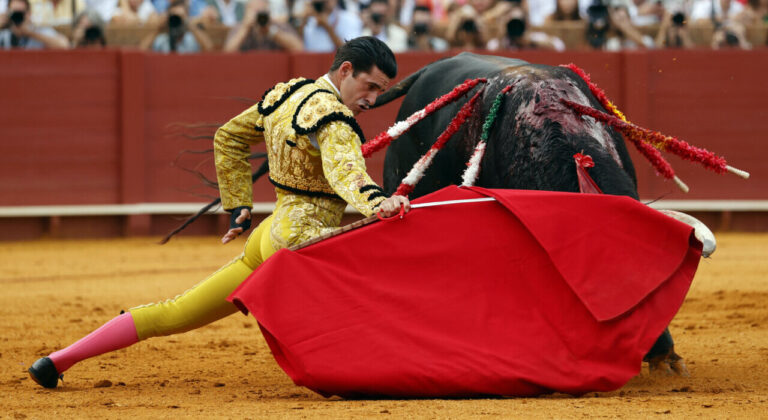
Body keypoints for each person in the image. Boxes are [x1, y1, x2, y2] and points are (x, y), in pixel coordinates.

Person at [27, 36, 411, 390]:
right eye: (370, 86)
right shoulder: (335, 119)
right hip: (301, 247)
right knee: (379, 291)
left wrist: (239, 203)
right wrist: (381, 203)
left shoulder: (288, 94)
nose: (374, 99)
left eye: (380, 90)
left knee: (174, 312)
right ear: (345, 70)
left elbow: (228, 136)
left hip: (268, 236)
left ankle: (57, 360)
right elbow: (347, 173)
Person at [223, 0, 303, 52]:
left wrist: (272, 31)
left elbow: (299, 49)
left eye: (262, 13)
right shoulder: (240, 27)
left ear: (269, 11)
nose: (259, 18)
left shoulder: (278, 26)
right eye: (255, 12)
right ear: (247, 12)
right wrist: (245, 28)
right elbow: (228, 52)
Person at [139, 0, 213, 53]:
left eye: (180, 17)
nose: (177, 20)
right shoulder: (162, 40)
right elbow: (142, 50)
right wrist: (159, 28)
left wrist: (189, 23)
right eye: (174, 17)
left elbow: (209, 49)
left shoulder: (191, 40)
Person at [0, 0, 69, 49]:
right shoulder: (4, 33)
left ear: (29, 14)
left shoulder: (38, 31)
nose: (17, 17)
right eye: (14, 14)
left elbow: (64, 45)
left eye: (21, 14)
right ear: (8, 14)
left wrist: (30, 33)